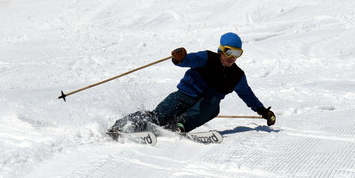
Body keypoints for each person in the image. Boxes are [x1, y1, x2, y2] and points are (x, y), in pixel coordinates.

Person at [109, 32, 276, 136]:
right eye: (229, 51)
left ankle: (179, 126)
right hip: (183, 97)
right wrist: (179, 58)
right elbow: (188, 60)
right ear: (221, 50)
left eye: (237, 53)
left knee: (213, 104)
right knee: (157, 117)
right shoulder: (207, 58)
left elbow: (247, 95)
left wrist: (263, 112)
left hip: (202, 108)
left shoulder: (237, 76)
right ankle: (123, 126)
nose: (232, 57)